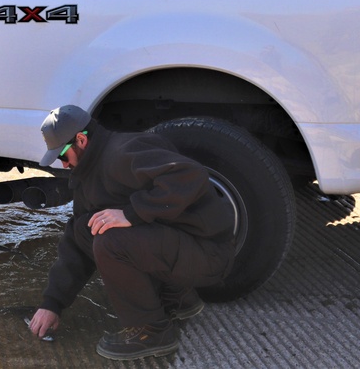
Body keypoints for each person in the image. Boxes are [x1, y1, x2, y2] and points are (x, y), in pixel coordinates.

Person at [26, 105, 236, 361]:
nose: (63, 163)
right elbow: (76, 242)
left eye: (62, 155)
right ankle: (178, 298)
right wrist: (53, 303)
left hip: (209, 252)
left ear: (81, 139)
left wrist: (131, 214)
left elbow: (190, 175)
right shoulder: (87, 174)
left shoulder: (122, 152)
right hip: (182, 249)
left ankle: (152, 330)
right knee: (86, 229)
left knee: (110, 242)